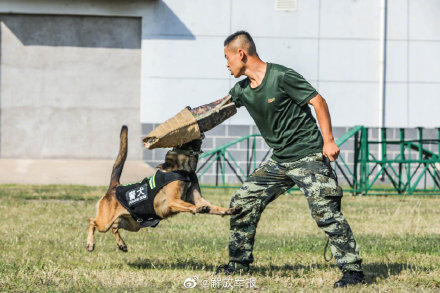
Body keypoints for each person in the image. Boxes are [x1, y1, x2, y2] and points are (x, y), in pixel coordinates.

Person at [215, 31, 365, 288]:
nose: (226, 64)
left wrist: (328, 141)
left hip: (308, 154)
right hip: (280, 160)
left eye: (227, 58)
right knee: (243, 201)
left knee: (324, 210)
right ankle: (237, 265)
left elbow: (318, 101)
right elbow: (216, 110)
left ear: (241, 54)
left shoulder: (282, 76)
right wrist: (181, 128)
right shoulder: (241, 90)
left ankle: (352, 270)